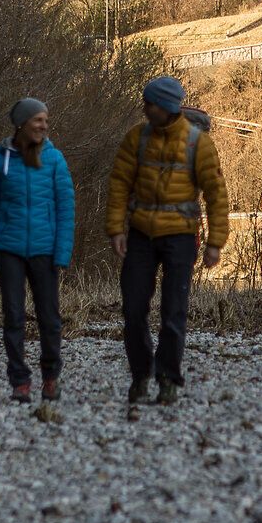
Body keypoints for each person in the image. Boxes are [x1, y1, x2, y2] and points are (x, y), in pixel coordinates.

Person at [107, 76, 229, 405]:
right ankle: (141, 374)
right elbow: (119, 183)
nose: (145, 108)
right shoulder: (136, 138)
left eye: (150, 103)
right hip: (141, 234)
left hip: (181, 235)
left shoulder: (197, 143)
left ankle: (168, 378)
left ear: (165, 107)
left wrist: (215, 241)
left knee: (174, 311)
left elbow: (216, 194)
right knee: (133, 309)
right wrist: (116, 228)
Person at [0, 97, 74, 403]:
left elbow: (65, 208)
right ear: (22, 124)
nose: (44, 126)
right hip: (8, 249)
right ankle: (20, 381)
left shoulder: (55, 160)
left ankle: (50, 378)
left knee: (49, 317)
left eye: (46, 121)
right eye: (38, 121)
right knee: (14, 316)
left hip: (45, 250)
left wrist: (62, 252)